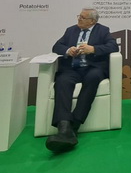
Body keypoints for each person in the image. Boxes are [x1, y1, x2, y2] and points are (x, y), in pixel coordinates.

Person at [45, 8, 118, 153]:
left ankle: (75, 124)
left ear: (92, 21)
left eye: (83, 18)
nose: (79, 19)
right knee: (62, 81)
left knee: (92, 78)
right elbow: (56, 46)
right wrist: (68, 50)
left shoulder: (103, 31)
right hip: (72, 68)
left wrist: (93, 49)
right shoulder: (70, 30)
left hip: (93, 68)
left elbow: (113, 46)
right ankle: (64, 126)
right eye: (79, 16)